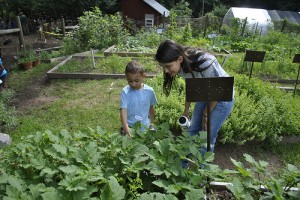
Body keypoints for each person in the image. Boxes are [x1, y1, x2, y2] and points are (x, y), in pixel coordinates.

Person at [155, 39, 234, 152]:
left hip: (222, 96)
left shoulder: (205, 63)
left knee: (207, 135)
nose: (166, 71)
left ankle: (202, 167)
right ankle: (183, 165)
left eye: (168, 66)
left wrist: (206, 114)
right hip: (206, 90)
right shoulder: (181, 67)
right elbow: (192, 86)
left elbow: (217, 90)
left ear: (180, 59)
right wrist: (186, 111)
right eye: (163, 67)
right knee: (191, 130)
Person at [119, 60, 158, 137]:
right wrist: (126, 129)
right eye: (129, 81)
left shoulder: (149, 91)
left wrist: (152, 124)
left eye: (136, 81)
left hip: (144, 127)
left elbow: (151, 108)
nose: (133, 84)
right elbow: (123, 111)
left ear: (143, 76)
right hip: (129, 127)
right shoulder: (125, 92)